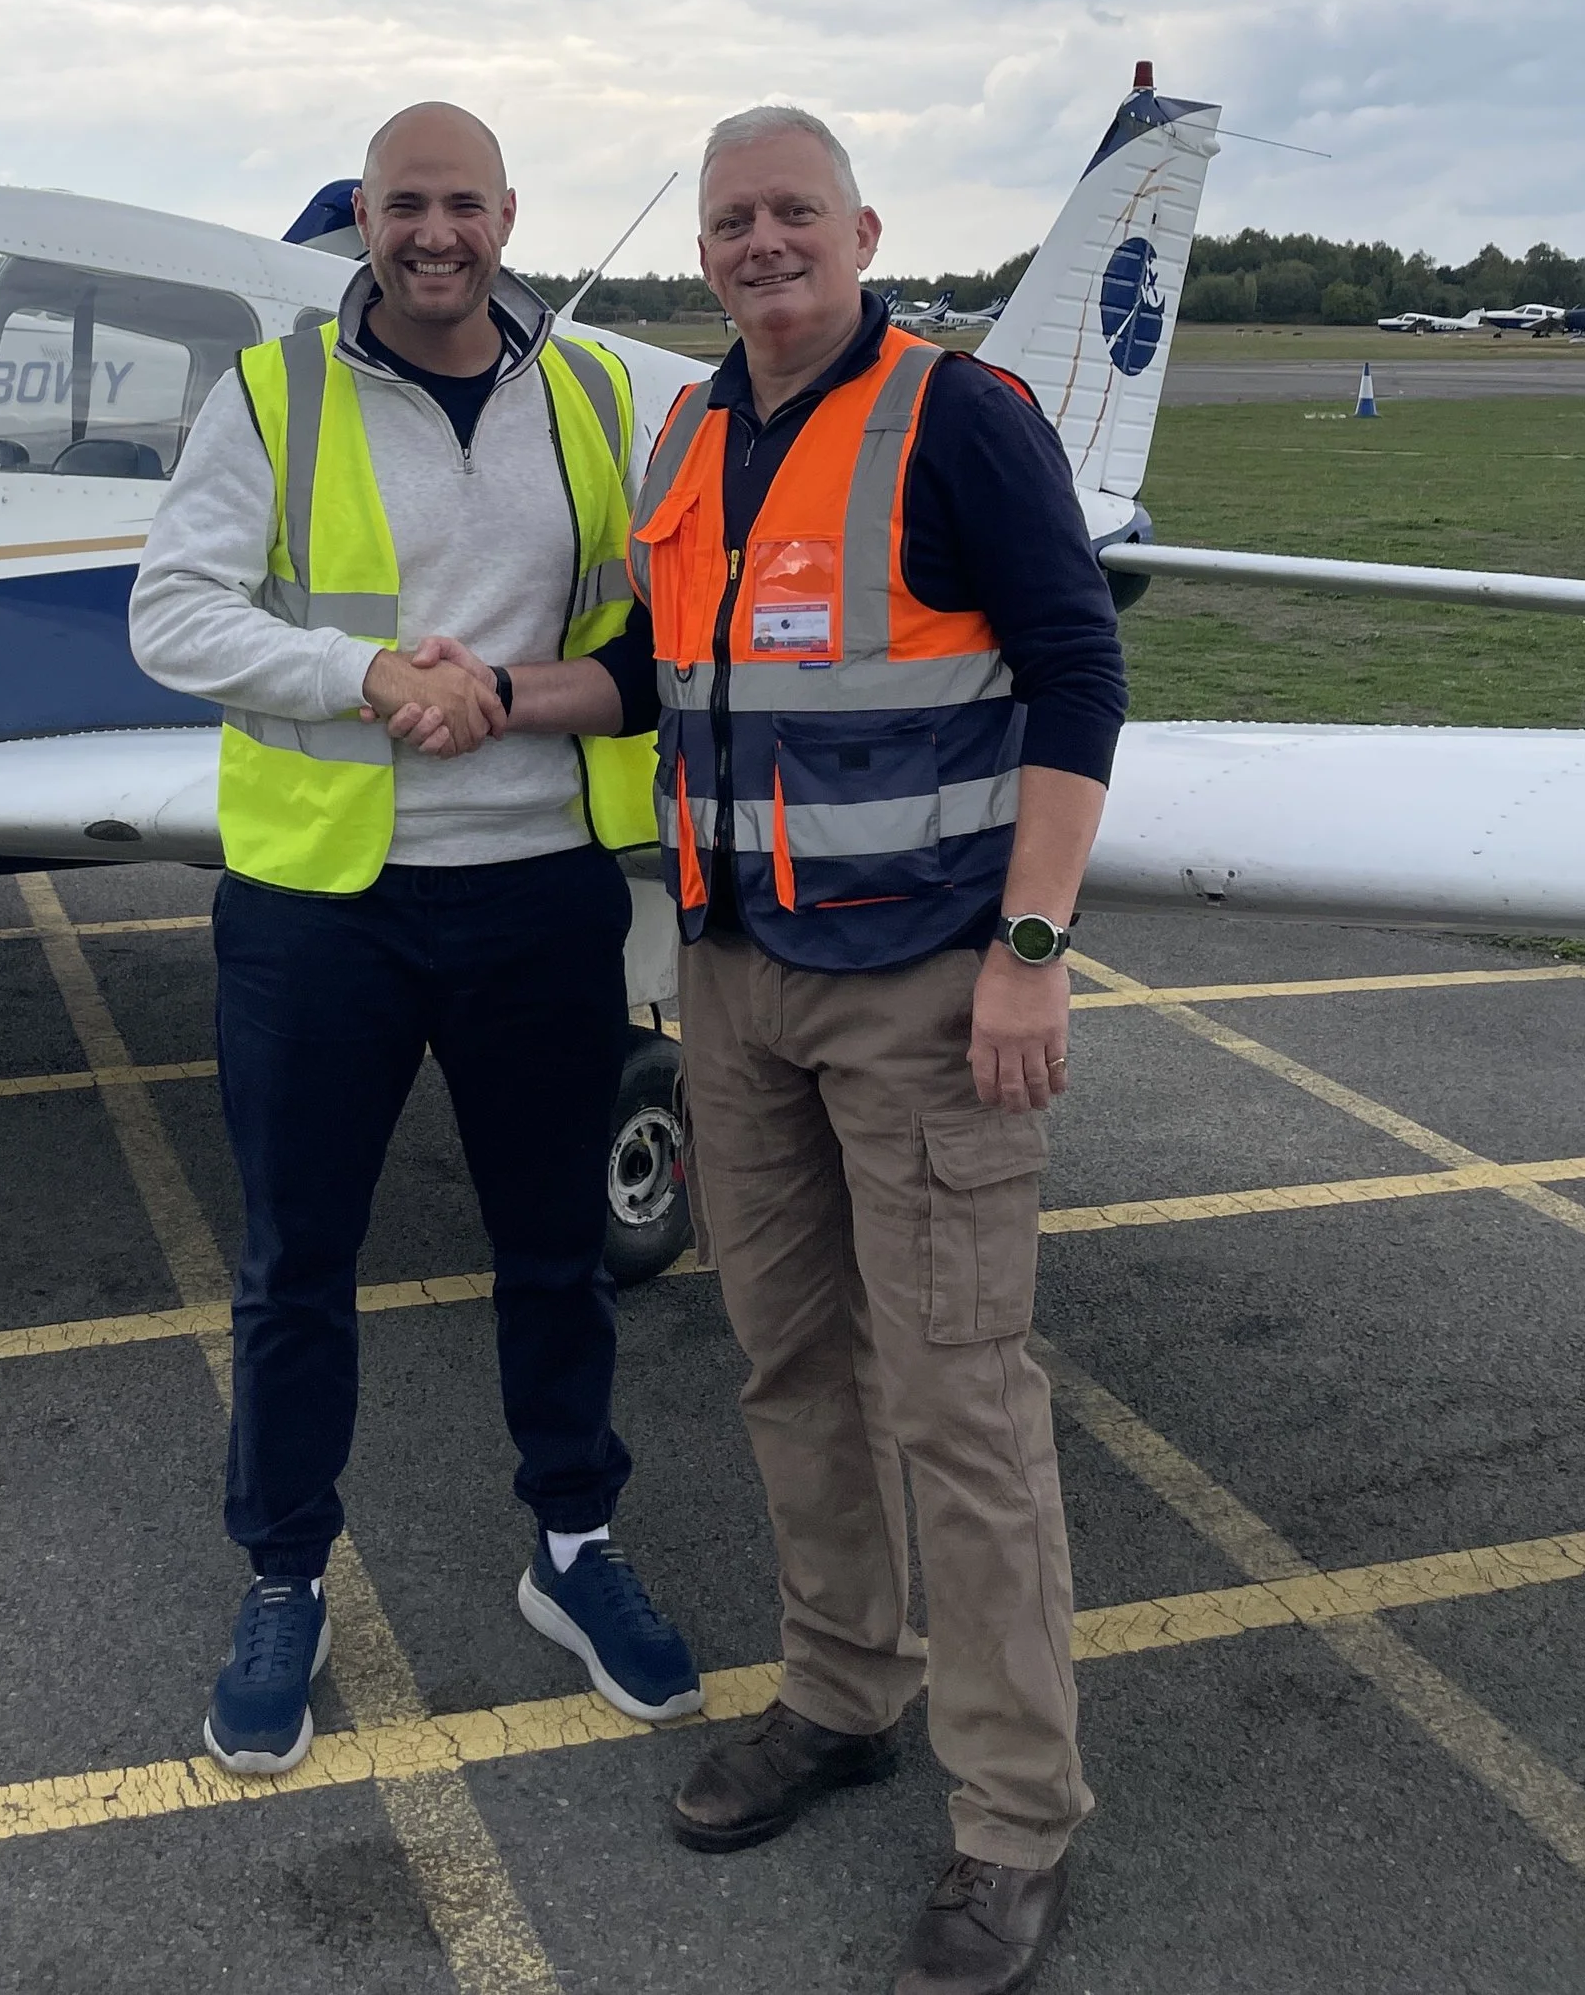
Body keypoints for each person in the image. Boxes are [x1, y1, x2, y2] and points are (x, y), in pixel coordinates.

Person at [425, 104, 1123, 1995]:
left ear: (862, 226)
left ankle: (1011, 1822)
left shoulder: (958, 418)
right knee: (790, 1358)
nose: (759, 243)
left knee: (961, 1402)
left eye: (791, 212)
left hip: (923, 982)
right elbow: (654, 674)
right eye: (732, 220)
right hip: (737, 979)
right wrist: (497, 696)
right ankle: (841, 1693)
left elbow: (1081, 673)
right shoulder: (694, 431)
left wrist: (1032, 953)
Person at [127, 99, 701, 1779]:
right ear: (360, 220)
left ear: (507, 215)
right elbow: (174, 613)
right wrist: (367, 678)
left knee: (555, 1251)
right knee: (297, 1266)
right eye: (403, 206)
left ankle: (575, 1551)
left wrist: (505, 699)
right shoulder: (274, 394)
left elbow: (651, 635)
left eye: (462, 205)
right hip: (324, 903)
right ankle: (285, 1576)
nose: (434, 234)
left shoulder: (594, 393)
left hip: (538, 886)